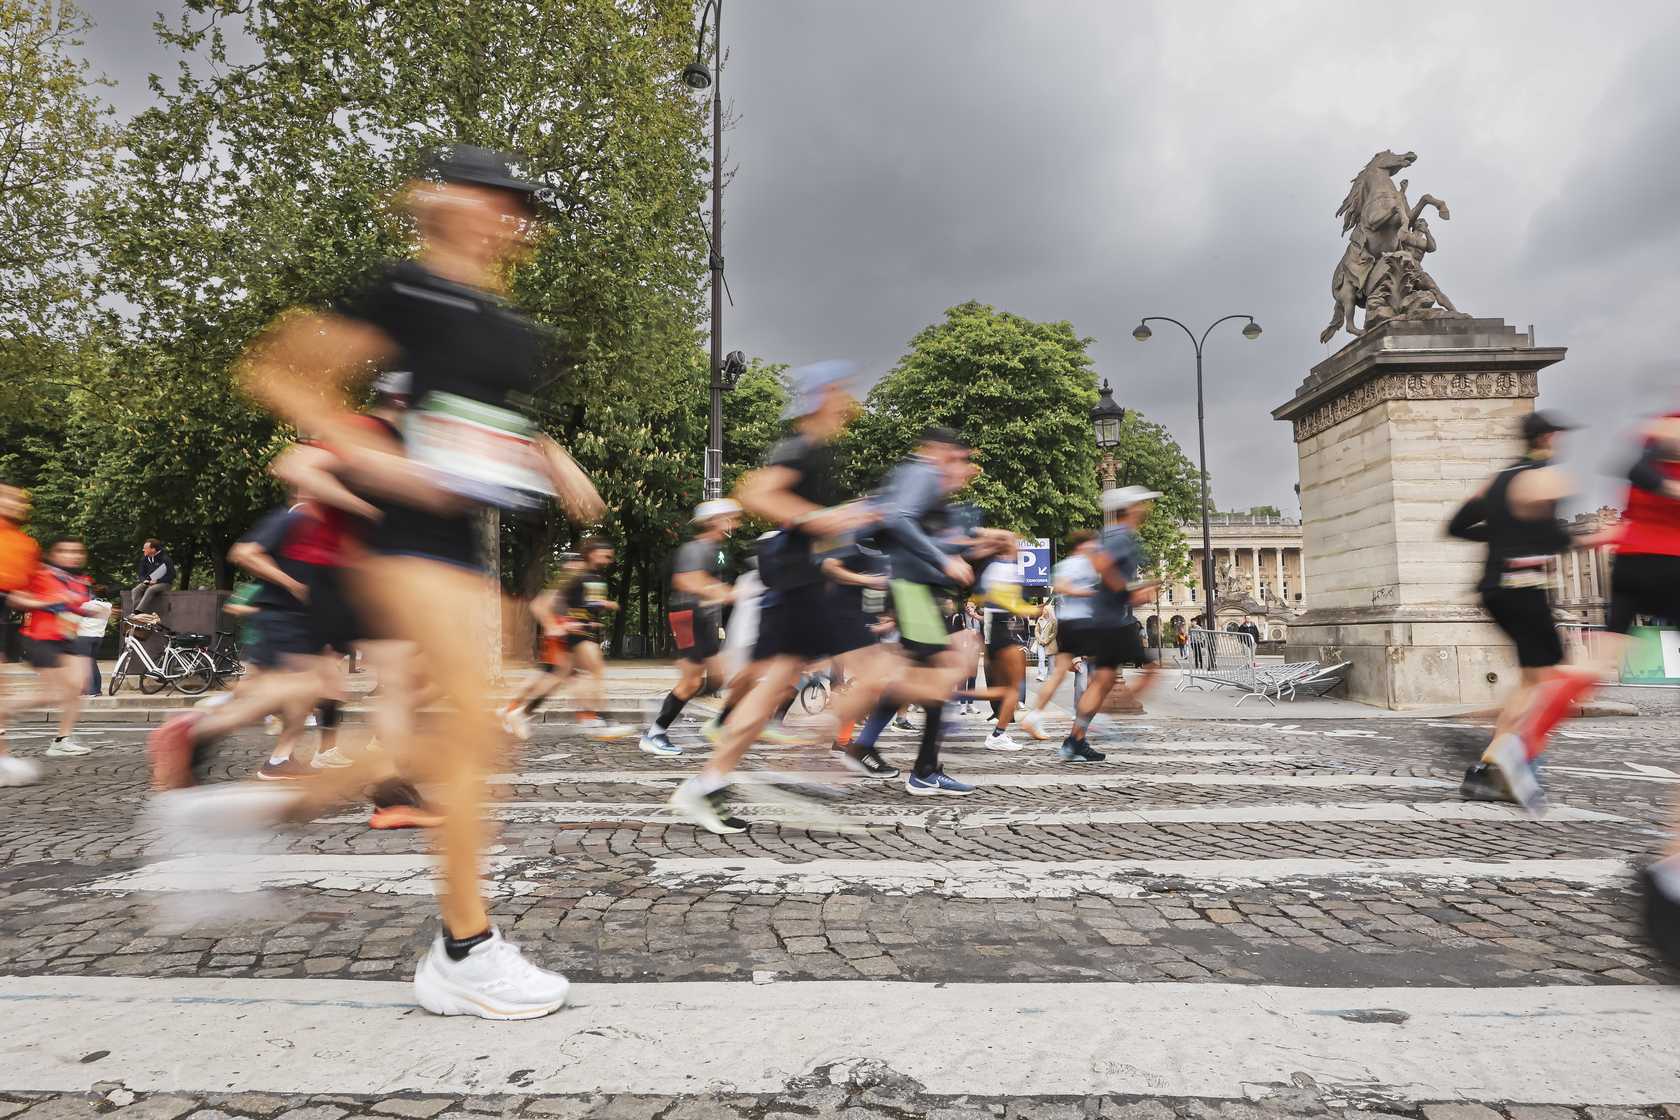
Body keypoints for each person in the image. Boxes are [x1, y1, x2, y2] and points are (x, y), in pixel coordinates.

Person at [150, 144, 602, 1019]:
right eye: (487, 197)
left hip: (461, 548)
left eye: (515, 207)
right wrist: (361, 455)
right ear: (442, 200)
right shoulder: (407, 291)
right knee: (471, 734)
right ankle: (465, 947)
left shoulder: (509, 326)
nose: (504, 218)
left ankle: (242, 818)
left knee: (470, 739)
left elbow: (480, 425)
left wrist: (552, 458)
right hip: (397, 544)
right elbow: (280, 369)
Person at [668, 363, 900, 830]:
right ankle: (802, 765)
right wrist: (822, 518)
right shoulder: (801, 447)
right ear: (821, 395)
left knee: (773, 689)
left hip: (801, 587)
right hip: (805, 589)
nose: (846, 400)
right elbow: (757, 492)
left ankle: (707, 784)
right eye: (839, 390)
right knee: (879, 672)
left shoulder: (818, 450)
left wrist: (846, 516)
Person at [1448, 412, 1579, 812]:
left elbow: (1456, 527)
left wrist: (1498, 532)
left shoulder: (1497, 481)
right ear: (1549, 438)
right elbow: (1555, 537)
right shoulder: (1544, 477)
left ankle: (1488, 770)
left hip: (1493, 588)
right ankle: (1508, 757)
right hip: (1524, 587)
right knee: (1547, 682)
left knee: (1531, 681)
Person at [1059, 486, 1163, 762]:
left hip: (1104, 618)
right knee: (1152, 670)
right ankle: (1105, 719)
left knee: (1101, 681)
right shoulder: (1121, 536)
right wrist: (1129, 593)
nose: (1145, 509)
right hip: (1115, 621)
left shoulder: (1112, 534)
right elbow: (1103, 564)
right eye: (1141, 505)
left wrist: (1132, 591)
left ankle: (1075, 740)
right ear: (1129, 509)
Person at [639, 500, 740, 757]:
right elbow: (684, 581)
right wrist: (723, 592)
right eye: (729, 517)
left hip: (704, 619)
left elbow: (711, 581)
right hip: (687, 616)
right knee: (692, 681)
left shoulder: (718, 550)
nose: (734, 523)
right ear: (714, 521)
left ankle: (687, 710)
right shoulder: (695, 549)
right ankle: (655, 733)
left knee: (718, 677)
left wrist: (723, 593)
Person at [6, 537, 98, 757]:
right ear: (53, 555)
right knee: (52, 695)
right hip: (40, 638)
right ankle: (4, 710)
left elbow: (73, 607)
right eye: (65, 551)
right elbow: (15, 599)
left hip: (67, 638)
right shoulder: (42, 574)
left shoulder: (81, 580)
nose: (73, 556)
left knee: (78, 687)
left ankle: (62, 740)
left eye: (77, 552)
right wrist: (45, 602)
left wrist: (92, 611)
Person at [1021, 530, 1098, 740]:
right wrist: (1091, 593)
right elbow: (1062, 586)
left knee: (1060, 674)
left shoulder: (1078, 564)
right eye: (1092, 543)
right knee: (1098, 675)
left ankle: (1035, 716)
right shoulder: (1077, 564)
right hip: (1080, 624)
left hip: (1074, 624)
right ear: (1083, 545)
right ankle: (1083, 722)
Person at [0, 485, 43, 786]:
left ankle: (2, 756)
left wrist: (54, 603)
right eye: (6, 498)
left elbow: (20, 592)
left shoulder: (26, 545)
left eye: (18, 500)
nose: (14, 503)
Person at [130, 538, 175, 616]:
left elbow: (172, 575)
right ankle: (138, 614)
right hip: (149, 582)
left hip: (164, 583)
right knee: (135, 590)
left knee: (151, 589)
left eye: (145, 548)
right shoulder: (144, 559)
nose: (143, 550)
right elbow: (141, 574)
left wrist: (157, 581)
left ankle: (138, 612)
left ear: (153, 549)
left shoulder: (165, 559)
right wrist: (144, 580)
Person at [1032, 598, 1056, 681]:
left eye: (1045, 609)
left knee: (1051, 661)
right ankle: (1041, 675)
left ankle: (1051, 675)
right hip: (1040, 642)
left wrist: (1047, 640)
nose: (1043, 611)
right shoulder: (1040, 619)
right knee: (1041, 659)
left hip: (1050, 643)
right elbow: (1036, 631)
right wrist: (1039, 639)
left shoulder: (1053, 621)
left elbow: (1054, 632)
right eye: (1044, 609)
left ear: (1049, 611)